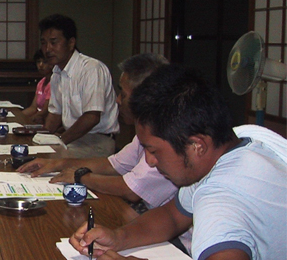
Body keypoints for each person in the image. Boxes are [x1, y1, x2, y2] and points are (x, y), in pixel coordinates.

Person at [69, 64, 286, 260]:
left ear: (197, 145)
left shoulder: (223, 194)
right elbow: (174, 215)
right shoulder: (246, 139)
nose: (149, 161)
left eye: (154, 150)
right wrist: (119, 237)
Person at [18, 53, 176, 209]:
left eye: (123, 93)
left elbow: (131, 190)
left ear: (146, 96)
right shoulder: (147, 131)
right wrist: (56, 164)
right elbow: (112, 165)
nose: (118, 100)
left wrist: (82, 177)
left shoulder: (169, 136)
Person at [39, 14, 119, 157]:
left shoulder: (91, 69)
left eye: (53, 42)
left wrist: (60, 141)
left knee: (49, 159)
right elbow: (55, 115)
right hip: (73, 139)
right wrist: (39, 139)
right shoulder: (57, 72)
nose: (47, 49)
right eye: (44, 43)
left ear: (71, 43)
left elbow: (92, 117)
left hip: (97, 142)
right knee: (32, 153)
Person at [22, 49, 52, 124]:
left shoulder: (54, 83)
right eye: (38, 62)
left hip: (47, 121)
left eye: (45, 62)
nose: (41, 65)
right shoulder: (41, 82)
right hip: (37, 119)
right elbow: (33, 108)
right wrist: (18, 116)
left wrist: (29, 120)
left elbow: (45, 111)